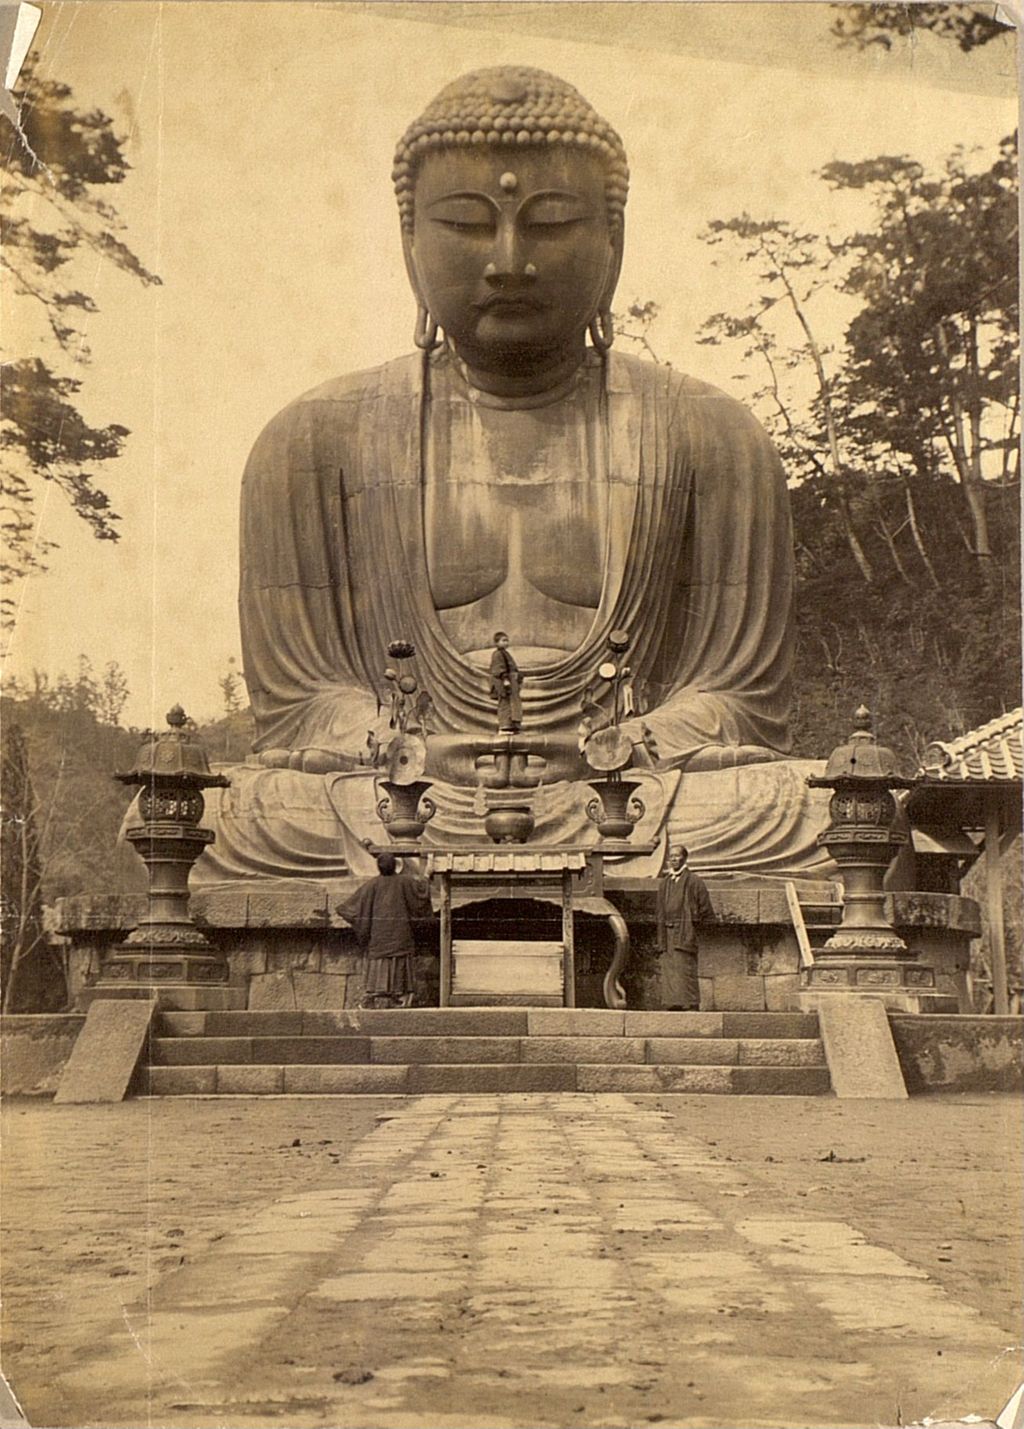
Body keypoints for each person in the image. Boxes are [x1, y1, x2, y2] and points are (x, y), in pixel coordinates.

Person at [190, 65, 833, 887]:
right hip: (404, 792)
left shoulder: (712, 436)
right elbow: (300, 702)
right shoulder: (310, 441)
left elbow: (739, 699)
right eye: (465, 222)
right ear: (408, 239)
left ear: (614, 239)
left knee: (794, 804)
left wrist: (624, 745)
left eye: (551, 223)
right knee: (225, 816)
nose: (507, 260)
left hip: (626, 793)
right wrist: (394, 742)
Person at [338, 853, 433, 1008]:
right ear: (395, 865)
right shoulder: (405, 882)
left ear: (379, 867)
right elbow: (421, 892)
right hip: (400, 934)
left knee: (378, 964)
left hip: (379, 935)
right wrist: (427, 874)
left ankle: (372, 996)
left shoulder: (371, 885)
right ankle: (400, 995)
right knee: (400, 961)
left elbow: (351, 908)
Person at [656, 845, 715, 1011]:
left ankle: (689, 1005)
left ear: (685, 858)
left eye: (677, 856)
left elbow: (706, 910)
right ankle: (673, 1004)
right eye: (671, 856)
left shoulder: (694, 881)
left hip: (685, 932)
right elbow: (660, 910)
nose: (673, 859)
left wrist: (693, 926)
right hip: (667, 933)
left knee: (685, 967)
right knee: (670, 969)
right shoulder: (665, 883)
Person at [489, 632, 522, 733]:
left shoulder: (505, 653)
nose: (506, 642)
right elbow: (499, 669)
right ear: (496, 643)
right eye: (503, 640)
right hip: (504, 683)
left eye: (507, 640)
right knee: (505, 703)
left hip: (511, 683)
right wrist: (505, 680)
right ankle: (504, 726)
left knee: (512, 704)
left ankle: (513, 726)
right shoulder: (497, 654)